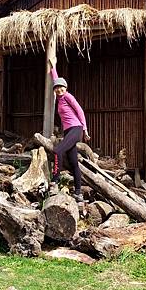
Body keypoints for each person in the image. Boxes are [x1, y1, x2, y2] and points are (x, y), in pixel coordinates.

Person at [49, 57, 90, 202]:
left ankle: (54, 180)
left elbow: (80, 111)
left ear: (66, 88)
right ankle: (78, 193)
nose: (59, 89)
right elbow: (56, 79)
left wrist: (84, 129)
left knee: (58, 150)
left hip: (76, 128)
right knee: (73, 162)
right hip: (68, 131)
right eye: (57, 88)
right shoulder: (59, 98)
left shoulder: (67, 96)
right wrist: (53, 66)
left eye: (62, 88)